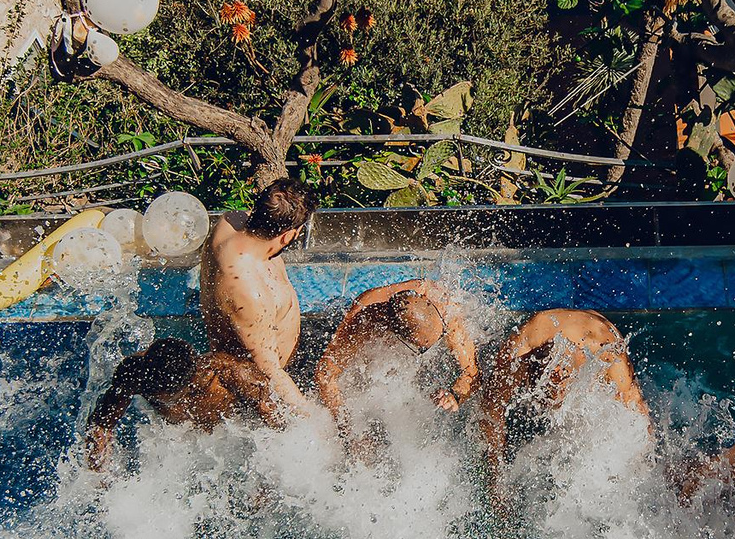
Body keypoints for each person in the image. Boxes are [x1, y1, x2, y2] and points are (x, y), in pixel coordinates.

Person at [472, 309, 649, 510]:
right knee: (496, 386)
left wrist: (642, 471)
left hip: (594, 335)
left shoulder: (607, 352)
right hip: (543, 338)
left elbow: (639, 417)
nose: (548, 405)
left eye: (554, 396)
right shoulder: (524, 345)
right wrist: (495, 484)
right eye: (545, 398)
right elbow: (490, 410)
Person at [198, 177, 315, 423]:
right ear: (287, 237)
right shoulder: (245, 289)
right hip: (257, 396)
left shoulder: (232, 221)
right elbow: (269, 371)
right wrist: (316, 422)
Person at [83, 338, 271, 469]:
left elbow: (277, 427)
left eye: (165, 395)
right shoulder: (136, 373)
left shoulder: (233, 375)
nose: (156, 398)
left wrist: (267, 480)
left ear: (192, 380)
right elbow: (101, 424)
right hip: (182, 451)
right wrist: (98, 472)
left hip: (233, 445)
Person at [315, 280, 481, 420]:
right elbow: (325, 375)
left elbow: (472, 373)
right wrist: (346, 427)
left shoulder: (446, 310)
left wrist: (455, 395)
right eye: (422, 348)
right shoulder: (364, 318)